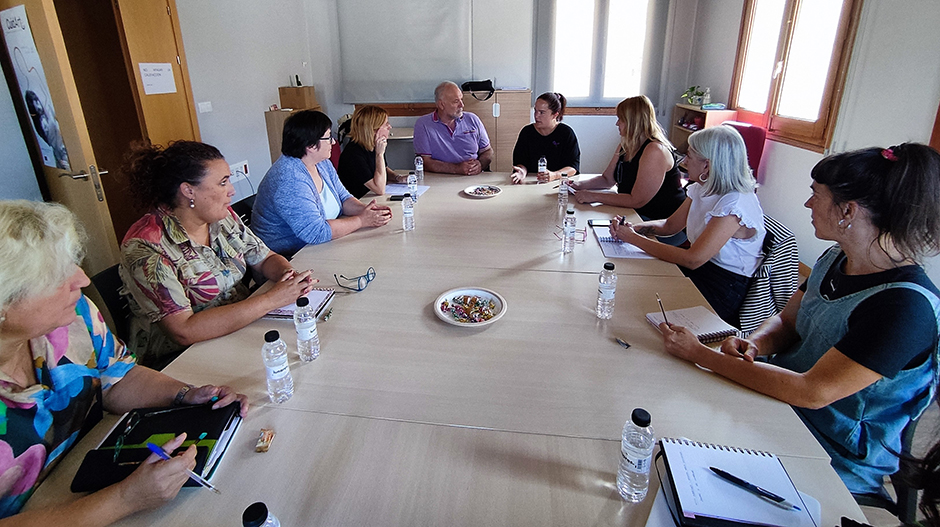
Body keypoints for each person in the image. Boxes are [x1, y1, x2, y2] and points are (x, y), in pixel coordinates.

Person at [658, 143, 940, 496]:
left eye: (815, 195)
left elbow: (812, 392)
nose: (808, 204)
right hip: (780, 406)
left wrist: (701, 355)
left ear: (848, 210)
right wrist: (756, 343)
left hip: (829, 450)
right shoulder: (836, 257)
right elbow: (788, 322)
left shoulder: (904, 307)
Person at [0, 199, 249, 524]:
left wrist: (186, 394)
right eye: (56, 274)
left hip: (92, 474)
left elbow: (117, 377)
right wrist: (124, 499)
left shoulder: (72, 316)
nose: (82, 280)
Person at [120, 141, 315, 369]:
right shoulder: (146, 247)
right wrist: (273, 299)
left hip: (242, 326)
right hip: (185, 359)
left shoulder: (222, 217)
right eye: (223, 182)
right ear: (188, 191)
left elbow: (264, 257)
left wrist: (288, 276)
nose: (232, 190)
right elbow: (183, 331)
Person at [610, 126, 765, 326]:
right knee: (635, 288)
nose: (683, 162)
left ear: (707, 166)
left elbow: (693, 259)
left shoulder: (734, 205)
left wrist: (633, 238)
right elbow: (669, 225)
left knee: (643, 306)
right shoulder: (702, 188)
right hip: (702, 272)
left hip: (723, 286)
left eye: (689, 156)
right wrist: (634, 228)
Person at [252, 110, 393, 255]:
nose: (333, 142)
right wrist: (361, 221)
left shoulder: (322, 162)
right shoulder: (289, 179)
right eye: (328, 138)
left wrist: (367, 211)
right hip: (292, 256)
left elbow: (343, 198)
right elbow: (316, 232)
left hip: (321, 246)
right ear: (311, 146)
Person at [569, 95, 685, 220]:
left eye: (621, 119)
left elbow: (636, 200)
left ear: (633, 121)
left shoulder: (655, 151)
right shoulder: (625, 145)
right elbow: (607, 180)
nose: (617, 123)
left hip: (659, 220)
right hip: (633, 213)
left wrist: (593, 196)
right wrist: (578, 185)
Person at [413, 81, 493, 176]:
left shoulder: (473, 119)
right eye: (456, 101)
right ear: (441, 105)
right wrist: (457, 169)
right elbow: (425, 162)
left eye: (461, 100)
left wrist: (480, 165)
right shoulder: (423, 124)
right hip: (439, 179)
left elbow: (488, 151)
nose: (462, 105)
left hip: (473, 178)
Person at [510, 92, 580, 184]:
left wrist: (555, 175)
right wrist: (522, 172)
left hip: (558, 183)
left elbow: (573, 167)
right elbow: (521, 162)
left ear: (555, 115)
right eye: (535, 111)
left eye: (542, 112)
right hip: (531, 182)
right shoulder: (527, 132)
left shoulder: (566, 133)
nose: (536, 116)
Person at [338, 105, 407, 198]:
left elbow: (384, 169)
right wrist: (379, 154)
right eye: (386, 124)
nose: (390, 126)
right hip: (360, 202)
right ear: (374, 130)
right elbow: (379, 189)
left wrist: (398, 178)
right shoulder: (353, 154)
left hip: (371, 198)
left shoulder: (372, 145)